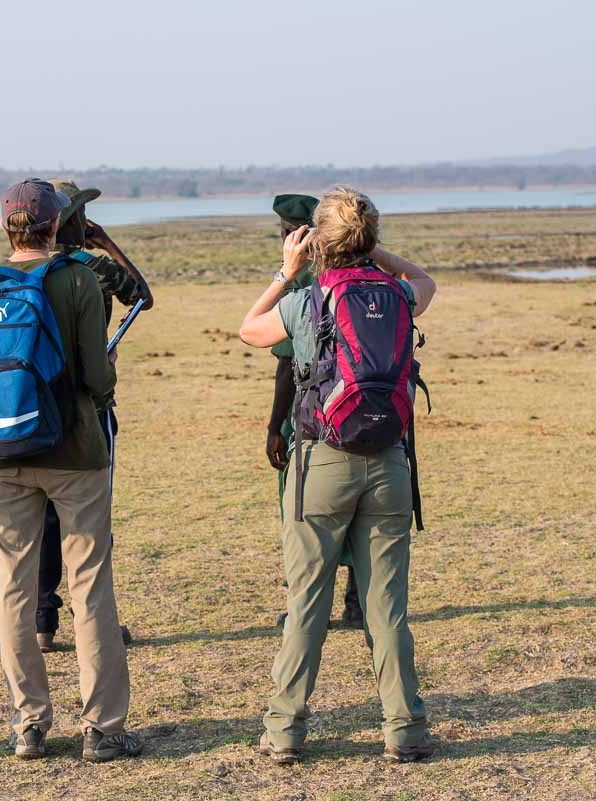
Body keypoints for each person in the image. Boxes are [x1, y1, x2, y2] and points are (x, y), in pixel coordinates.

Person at [239, 186, 437, 764]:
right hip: (390, 463)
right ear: (370, 239)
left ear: (317, 240)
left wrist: (287, 269)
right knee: (388, 606)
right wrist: (381, 256)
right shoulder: (397, 294)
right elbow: (427, 281)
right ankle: (405, 729)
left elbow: (250, 329)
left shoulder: (309, 299)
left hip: (320, 462)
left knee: (307, 603)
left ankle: (284, 731)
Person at [0, 179, 141, 762]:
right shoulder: (78, 278)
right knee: (90, 582)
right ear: (55, 226)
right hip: (74, 451)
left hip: (3, 454)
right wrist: (106, 369)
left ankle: (29, 723)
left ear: (7, 228)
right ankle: (103, 727)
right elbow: (97, 383)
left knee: (13, 587)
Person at [30, 179, 153, 652]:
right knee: (90, 520)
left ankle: (42, 621)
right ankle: (94, 623)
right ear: (73, 220)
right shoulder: (94, 268)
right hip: (89, 408)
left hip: (33, 407)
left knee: (41, 518)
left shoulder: (24, 271)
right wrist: (105, 242)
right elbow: (142, 295)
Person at [266, 194, 362, 630]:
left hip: (311, 418)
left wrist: (273, 426)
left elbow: (286, 363)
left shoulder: (303, 285)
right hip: (363, 411)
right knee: (364, 515)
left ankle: (306, 608)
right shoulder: (367, 276)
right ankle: (358, 601)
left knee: (303, 514)